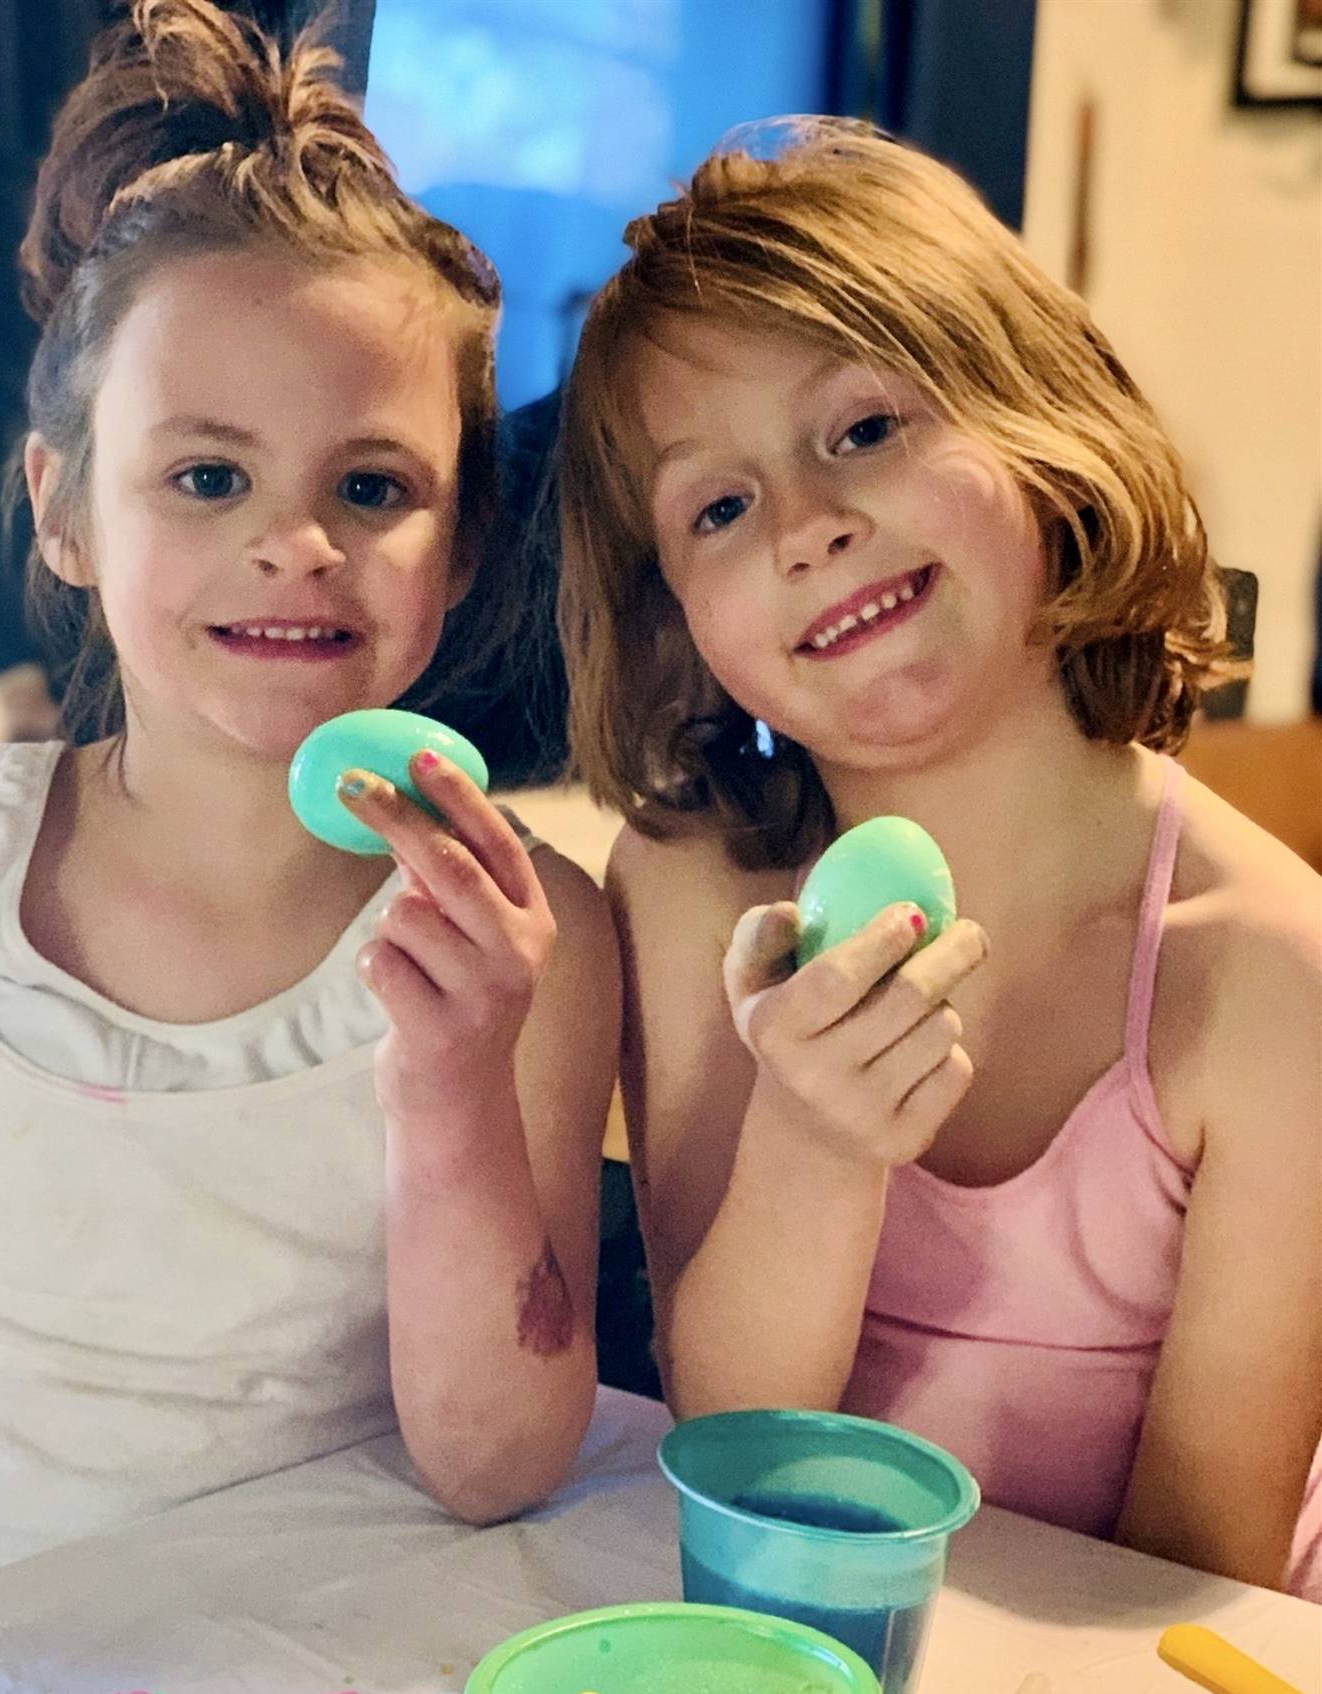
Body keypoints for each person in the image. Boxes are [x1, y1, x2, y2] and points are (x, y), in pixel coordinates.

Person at [0, 0, 619, 1608]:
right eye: (207, 477)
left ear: (467, 536)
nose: (298, 544)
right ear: (65, 508)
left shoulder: (535, 932)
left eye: (372, 487)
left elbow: (494, 1465)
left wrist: (453, 1085)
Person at [557, 119, 1321, 1598]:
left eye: (865, 430)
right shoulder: (688, 891)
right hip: (821, 1649)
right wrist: (818, 1140)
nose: (809, 529)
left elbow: (1197, 1564)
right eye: (718, 507)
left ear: (1048, 429)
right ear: (674, 619)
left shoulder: (1270, 975)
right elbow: (738, 1446)